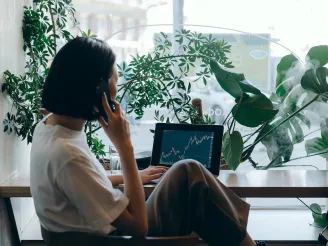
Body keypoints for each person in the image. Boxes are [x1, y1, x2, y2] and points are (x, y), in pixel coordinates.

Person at [30, 37, 266, 246]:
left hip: (104, 229)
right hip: (119, 238)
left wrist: (132, 176)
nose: (118, 83)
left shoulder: (50, 127)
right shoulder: (68, 154)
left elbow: (84, 182)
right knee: (194, 180)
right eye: (114, 76)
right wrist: (125, 147)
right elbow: (139, 225)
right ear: (98, 88)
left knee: (188, 171)